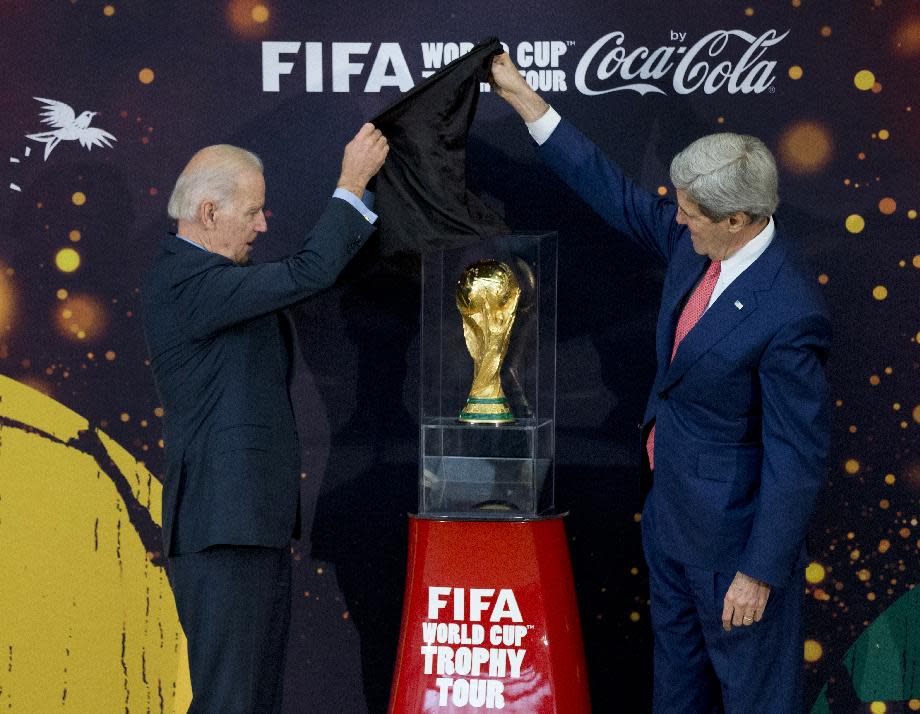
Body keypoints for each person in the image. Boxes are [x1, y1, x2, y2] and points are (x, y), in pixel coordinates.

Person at [490, 53, 830, 713]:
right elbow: (609, 189)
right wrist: (526, 100)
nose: (676, 220)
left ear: (740, 220)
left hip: (734, 555)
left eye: (692, 213)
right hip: (672, 530)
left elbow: (798, 457)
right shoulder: (692, 243)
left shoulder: (791, 313)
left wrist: (758, 573)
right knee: (675, 700)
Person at [141, 124, 388, 713]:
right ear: (207, 212)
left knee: (252, 700)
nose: (262, 224)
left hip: (247, 524)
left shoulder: (211, 279)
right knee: (232, 701)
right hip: (223, 527)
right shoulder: (187, 282)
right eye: (252, 211)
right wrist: (352, 184)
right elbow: (307, 274)